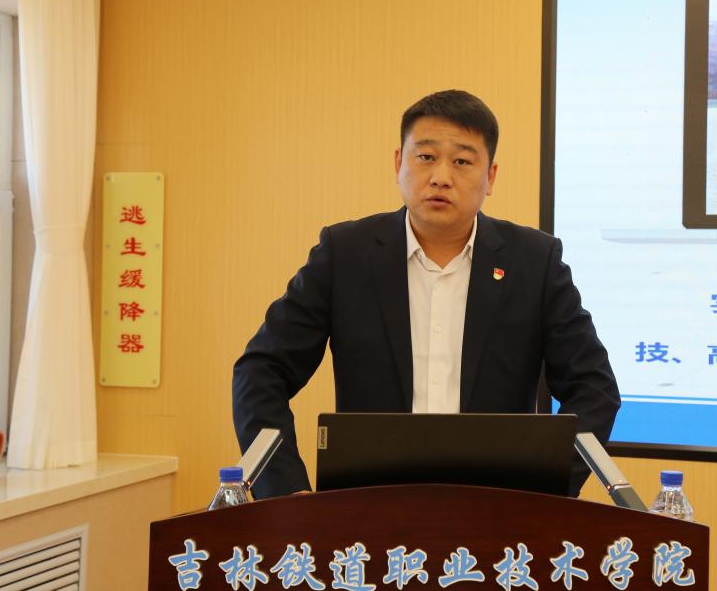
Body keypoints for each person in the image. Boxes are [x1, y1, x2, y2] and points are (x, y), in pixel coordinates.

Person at [232, 89, 620, 499]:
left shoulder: (534, 262)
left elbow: (594, 388)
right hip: (364, 511)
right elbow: (261, 371)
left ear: (490, 177)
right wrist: (287, 493)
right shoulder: (344, 255)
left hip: (499, 514)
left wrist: (545, 490)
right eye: (426, 156)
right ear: (399, 163)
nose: (441, 177)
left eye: (462, 161)